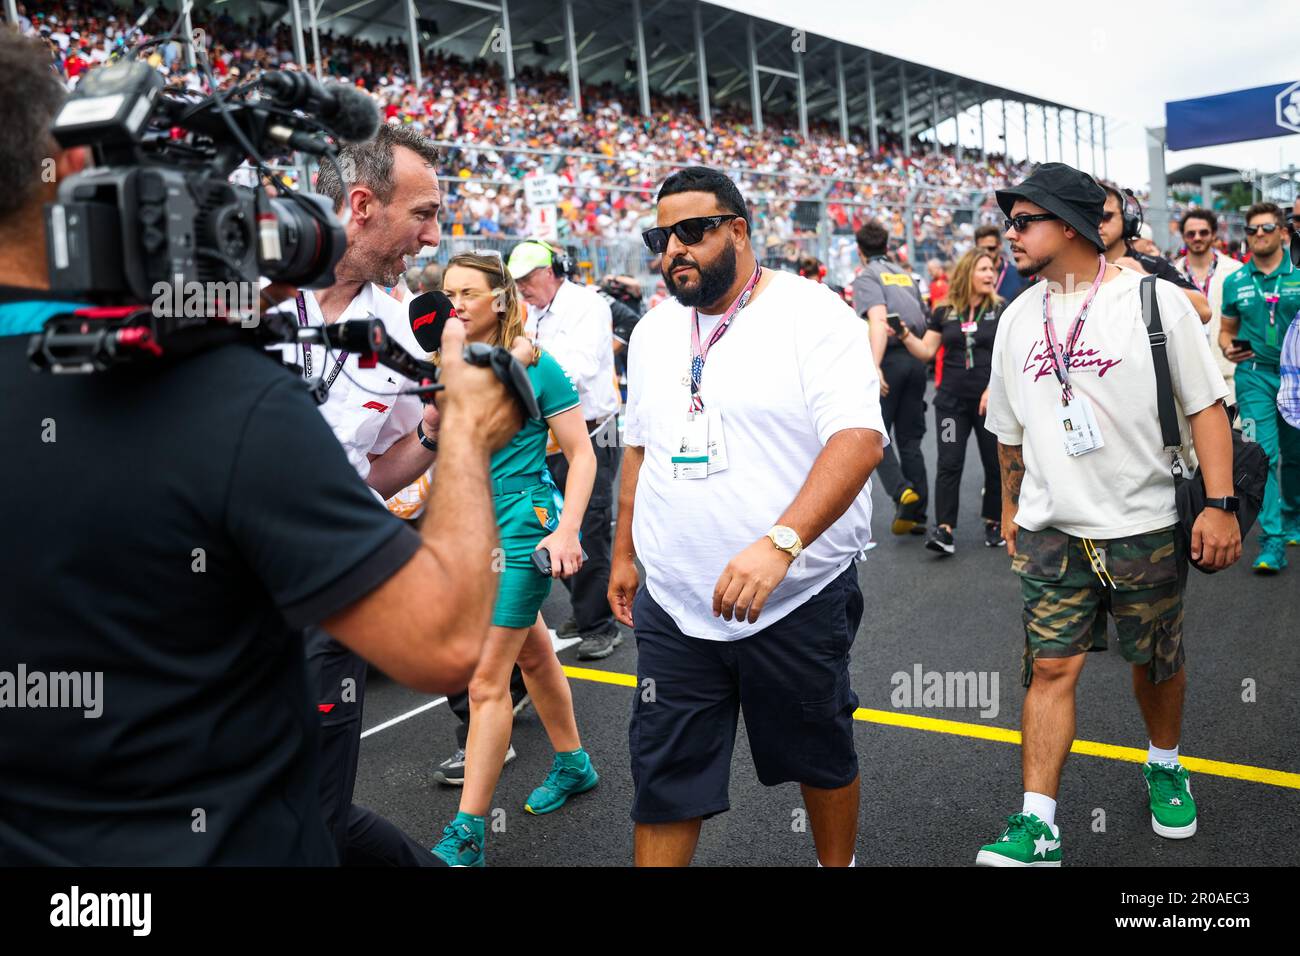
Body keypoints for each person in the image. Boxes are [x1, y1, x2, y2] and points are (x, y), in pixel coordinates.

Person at [0, 29, 529, 865]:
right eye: (425, 216)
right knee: (326, 813)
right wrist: (466, 431)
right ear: (72, 170)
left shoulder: (256, 355)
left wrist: (427, 433)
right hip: (235, 821)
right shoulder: (220, 394)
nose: (432, 239)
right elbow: (444, 647)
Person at [609, 166, 886, 867]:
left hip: (794, 596)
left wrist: (780, 544)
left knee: (818, 755)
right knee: (663, 781)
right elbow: (638, 451)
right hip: (674, 603)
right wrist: (623, 554)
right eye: (660, 235)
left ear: (738, 228)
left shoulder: (813, 313)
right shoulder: (650, 333)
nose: (674, 248)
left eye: (692, 231)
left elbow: (857, 439)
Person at [976, 163, 1240, 867]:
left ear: (1068, 224)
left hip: (1146, 522)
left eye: (1024, 220)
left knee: (1155, 664)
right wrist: (1009, 508)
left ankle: (1163, 761)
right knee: (1050, 670)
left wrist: (1220, 506)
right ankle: (1039, 824)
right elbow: (1008, 430)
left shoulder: (1156, 301)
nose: (1012, 234)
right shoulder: (1016, 317)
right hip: (1051, 532)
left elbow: (1206, 408)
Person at [429, 252, 598, 866]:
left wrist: (569, 528)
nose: (456, 303)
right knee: (533, 650)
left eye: (469, 293)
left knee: (485, 681)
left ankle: (468, 834)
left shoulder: (538, 362)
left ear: (500, 299)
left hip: (521, 526)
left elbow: (582, 455)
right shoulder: (446, 360)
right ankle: (574, 763)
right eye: (448, 292)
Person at [508, 238, 623, 660]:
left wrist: (527, 358)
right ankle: (586, 607)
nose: (521, 287)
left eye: (528, 279)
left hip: (589, 434)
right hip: (547, 437)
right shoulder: (532, 311)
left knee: (586, 528)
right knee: (552, 526)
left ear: (555, 270)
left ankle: (600, 625)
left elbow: (581, 366)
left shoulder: (587, 305)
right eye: (516, 281)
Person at [893, 248, 1005, 554]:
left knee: (994, 464)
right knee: (949, 462)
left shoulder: (1001, 309)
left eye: (991, 270)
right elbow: (927, 351)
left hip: (987, 404)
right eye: (983, 269)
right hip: (951, 405)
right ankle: (944, 529)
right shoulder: (944, 311)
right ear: (968, 272)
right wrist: (903, 335)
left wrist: (993, 387)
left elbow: (1008, 355)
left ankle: (994, 520)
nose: (989, 275)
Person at [1218, 202, 1300, 572]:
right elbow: (1226, 330)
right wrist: (1226, 347)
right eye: (1252, 230)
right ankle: (1272, 542)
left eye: (1267, 228)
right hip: (1252, 376)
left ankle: (1293, 514)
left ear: (1283, 231)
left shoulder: (1298, 271)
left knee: (1295, 453)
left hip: (1295, 376)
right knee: (1262, 456)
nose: (1259, 235)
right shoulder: (1236, 281)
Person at [853, 219, 930, 536]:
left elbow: (878, 319)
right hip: (916, 358)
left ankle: (901, 492)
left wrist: (874, 365)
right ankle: (919, 515)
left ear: (860, 252)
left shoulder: (867, 276)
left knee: (876, 435)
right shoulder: (903, 273)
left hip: (892, 359)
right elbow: (920, 317)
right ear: (886, 247)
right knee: (910, 441)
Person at [1098, 183, 1211, 325]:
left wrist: (1145, 278)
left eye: (1106, 216)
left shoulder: (1152, 265)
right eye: (1093, 216)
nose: (1099, 224)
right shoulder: (1078, 268)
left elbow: (1204, 311)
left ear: (1127, 221)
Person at [1172, 208, 1243, 403]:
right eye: (1191, 233)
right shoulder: (1170, 274)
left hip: (1229, 374)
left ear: (1213, 234)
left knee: (1240, 432)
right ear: (1183, 237)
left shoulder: (1236, 271)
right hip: (1189, 379)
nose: (1197, 237)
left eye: (1203, 232)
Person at [976, 223, 1025, 302]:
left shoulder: (1018, 275)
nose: (986, 252)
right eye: (982, 249)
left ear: (999, 246)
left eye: (991, 248)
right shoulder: (970, 276)